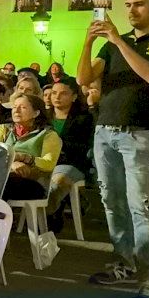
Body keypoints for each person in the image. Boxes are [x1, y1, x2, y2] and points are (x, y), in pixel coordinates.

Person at [77, 0, 149, 298]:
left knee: (142, 208)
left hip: (142, 134)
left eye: (139, 4)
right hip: (105, 131)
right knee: (112, 202)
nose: (132, 11)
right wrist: (89, 42)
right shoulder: (111, 47)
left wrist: (118, 41)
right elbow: (83, 79)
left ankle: (148, 279)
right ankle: (123, 263)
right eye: (128, 5)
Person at [0, 93, 62, 206]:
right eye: (14, 107)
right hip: (3, 176)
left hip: (32, 183)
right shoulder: (2, 129)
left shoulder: (48, 134)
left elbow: (49, 163)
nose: (16, 110)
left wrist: (25, 158)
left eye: (23, 107)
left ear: (36, 113)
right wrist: (12, 164)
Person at [46, 80, 94, 232]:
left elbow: (86, 147)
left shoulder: (85, 118)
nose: (57, 97)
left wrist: (60, 145)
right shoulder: (43, 117)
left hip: (73, 162)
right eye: (54, 93)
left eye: (63, 93)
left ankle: (49, 213)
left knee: (58, 181)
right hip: (45, 161)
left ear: (74, 97)